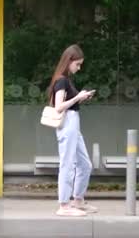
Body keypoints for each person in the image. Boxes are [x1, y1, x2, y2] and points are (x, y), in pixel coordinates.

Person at [47, 44, 97, 217]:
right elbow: (59, 106)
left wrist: (80, 98)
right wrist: (78, 96)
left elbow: (67, 104)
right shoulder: (61, 80)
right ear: (69, 61)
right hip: (67, 123)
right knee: (67, 164)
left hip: (73, 123)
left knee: (85, 164)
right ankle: (64, 205)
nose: (79, 67)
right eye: (77, 64)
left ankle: (78, 200)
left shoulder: (66, 80)